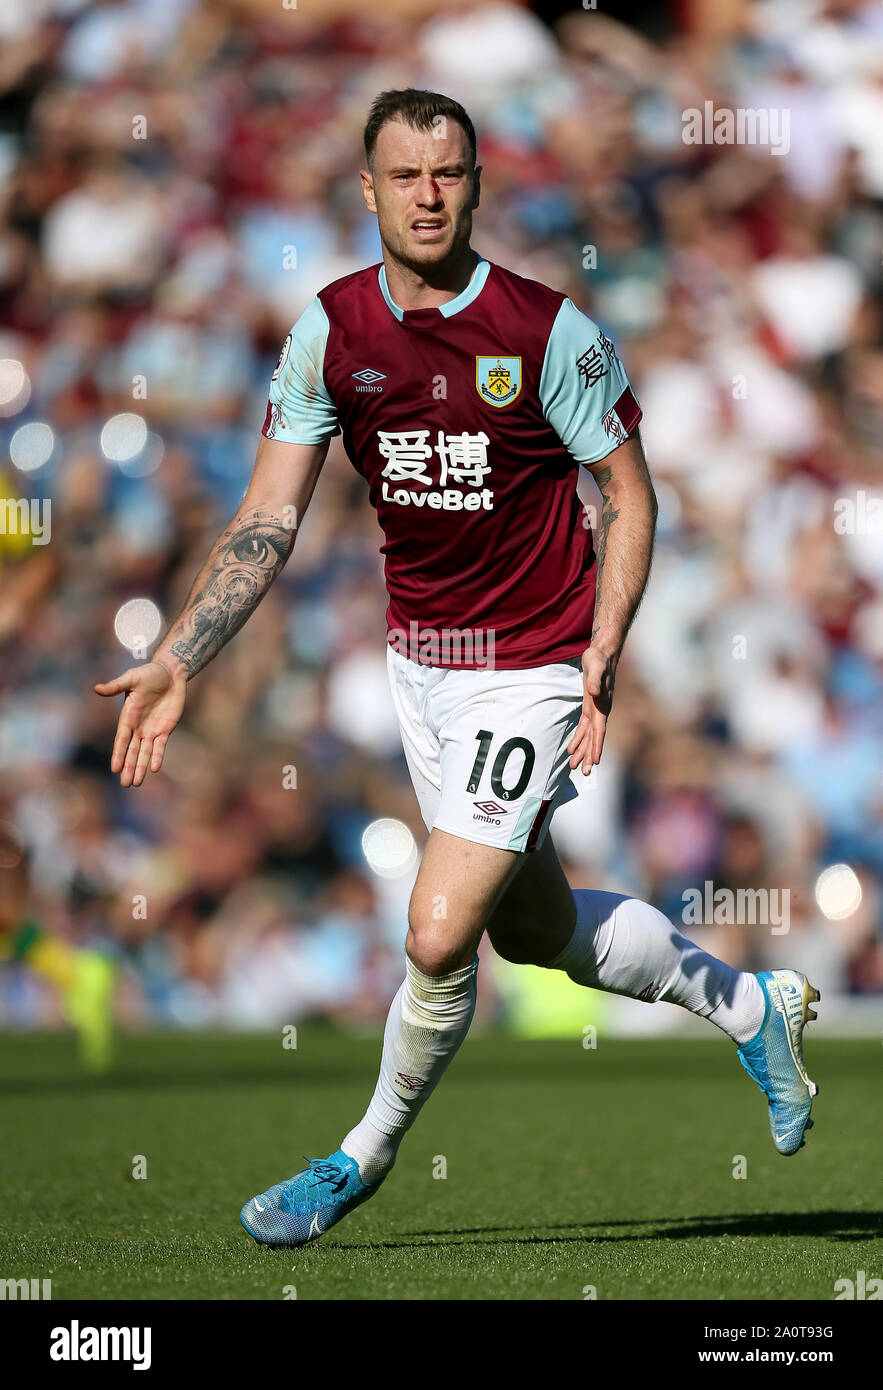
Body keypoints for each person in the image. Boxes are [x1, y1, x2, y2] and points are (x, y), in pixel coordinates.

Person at [95, 89, 819, 1249]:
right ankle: (750, 1006)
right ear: (367, 187)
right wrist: (180, 655)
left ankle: (355, 1157)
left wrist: (602, 645)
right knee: (528, 929)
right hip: (419, 673)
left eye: (449, 175)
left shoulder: (547, 332)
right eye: (404, 175)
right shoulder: (329, 332)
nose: (427, 196)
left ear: (475, 185)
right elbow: (267, 519)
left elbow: (627, 496)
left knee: (437, 933)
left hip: (531, 667)